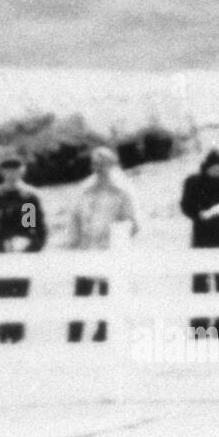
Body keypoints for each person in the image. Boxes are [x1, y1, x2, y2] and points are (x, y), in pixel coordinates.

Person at [66, 146, 140, 342]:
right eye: (95, 163)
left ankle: (102, 336)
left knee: (107, 296)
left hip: (109, 251)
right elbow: (74, 218)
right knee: (80, 297)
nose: (98, 167)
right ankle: (75, 339)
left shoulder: (122, 190)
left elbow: (133, 223)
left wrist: (29, 233)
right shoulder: (84, 189)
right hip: (86, 250)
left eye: (103, 164)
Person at [180, 148, 219, 297]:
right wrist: (199, 215)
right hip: (201, 233)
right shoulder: (193, 182)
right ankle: (199, 318)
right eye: (214, 168)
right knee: (200, 277)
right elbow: (186, 205)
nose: (217, 172)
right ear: (207, 167)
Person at [0, 152, 48, 252]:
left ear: (22, 171)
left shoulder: (28, 197)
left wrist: (31, 244)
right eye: (8, 171)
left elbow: (32, 225)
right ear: (2, 172)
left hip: (24, 243)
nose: (11, 174)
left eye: (15, 170)